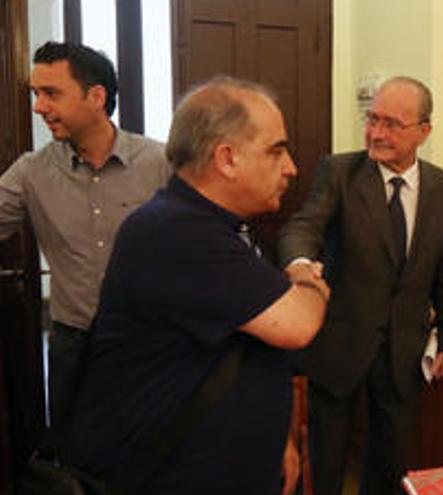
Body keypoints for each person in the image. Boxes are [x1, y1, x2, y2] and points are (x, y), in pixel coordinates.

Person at [68, 77, 328, 494]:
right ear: (227, 159)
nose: (291, 168)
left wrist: (278, 440)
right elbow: (296, 324)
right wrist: (306, 279)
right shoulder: (177, 232)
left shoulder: (220, 228)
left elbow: (243, 347)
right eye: (276, 150)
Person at [277, 76, 443, 495]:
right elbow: (303, 226)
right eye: (373, 118)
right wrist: (301, 264)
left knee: (389, 465)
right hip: (340, 346)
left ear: (424, 131)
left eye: (393, 123)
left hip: (404, 353)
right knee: (325, 465)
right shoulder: (340, 172)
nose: (377, 133)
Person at [0, 41, 171, 447]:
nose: (39, 107)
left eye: (51, 93)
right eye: (35, 94)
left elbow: (210, 243)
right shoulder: (31, 172)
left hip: (150, 342)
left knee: (151, 454)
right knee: (75, 459)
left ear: (96, 97)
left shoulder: (162, 164)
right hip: (72, 348)